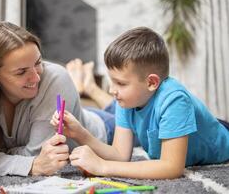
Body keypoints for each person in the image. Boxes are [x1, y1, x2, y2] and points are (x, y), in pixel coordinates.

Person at [51, 27, 229, 179]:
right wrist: (80, 133)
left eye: (120, 83)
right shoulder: (126, 101)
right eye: (111, 81)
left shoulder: (174, 99)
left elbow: (172, 168)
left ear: (151, 83)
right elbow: (120, 155)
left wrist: (103, 167)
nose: (112, 90)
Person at [0, 21, 109, 177]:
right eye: (21, 72)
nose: (36, 77)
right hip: (81, 111)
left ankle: (91, 88)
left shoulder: (56, 78)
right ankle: (84, 87)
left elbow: (38, 155)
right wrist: (30, 164)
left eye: (38, 62)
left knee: (127, 107)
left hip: (103, 127)